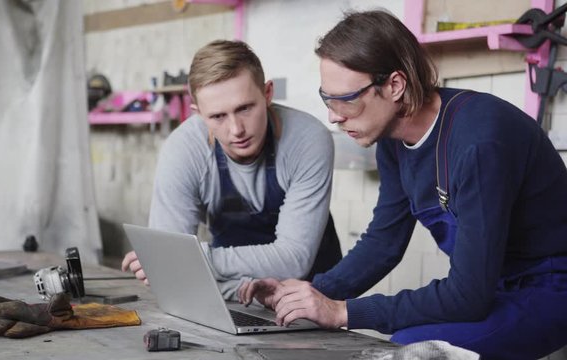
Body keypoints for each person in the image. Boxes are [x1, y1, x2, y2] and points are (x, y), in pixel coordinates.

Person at [239, 9, 567, 360]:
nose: (333, 116)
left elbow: (468, 296)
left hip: (551, 288)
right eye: (327, 98)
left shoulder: (478, 141)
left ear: (395, 85)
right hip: (496, 285)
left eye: (346, 100)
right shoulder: (393, 142)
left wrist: (341, 312)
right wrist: (309, 294)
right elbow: (384, 242)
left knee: (412, 347)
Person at [122, 40, 342, 300]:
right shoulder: (183, 150)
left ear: (268, 93)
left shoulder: (307, 139)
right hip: (234, 297)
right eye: (218, 117)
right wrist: (237, 290)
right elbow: (168, 269)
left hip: (312, 294)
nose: (237, 129)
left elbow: (294, 259)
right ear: (199, 114)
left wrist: (196, 258)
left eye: (245, 108)